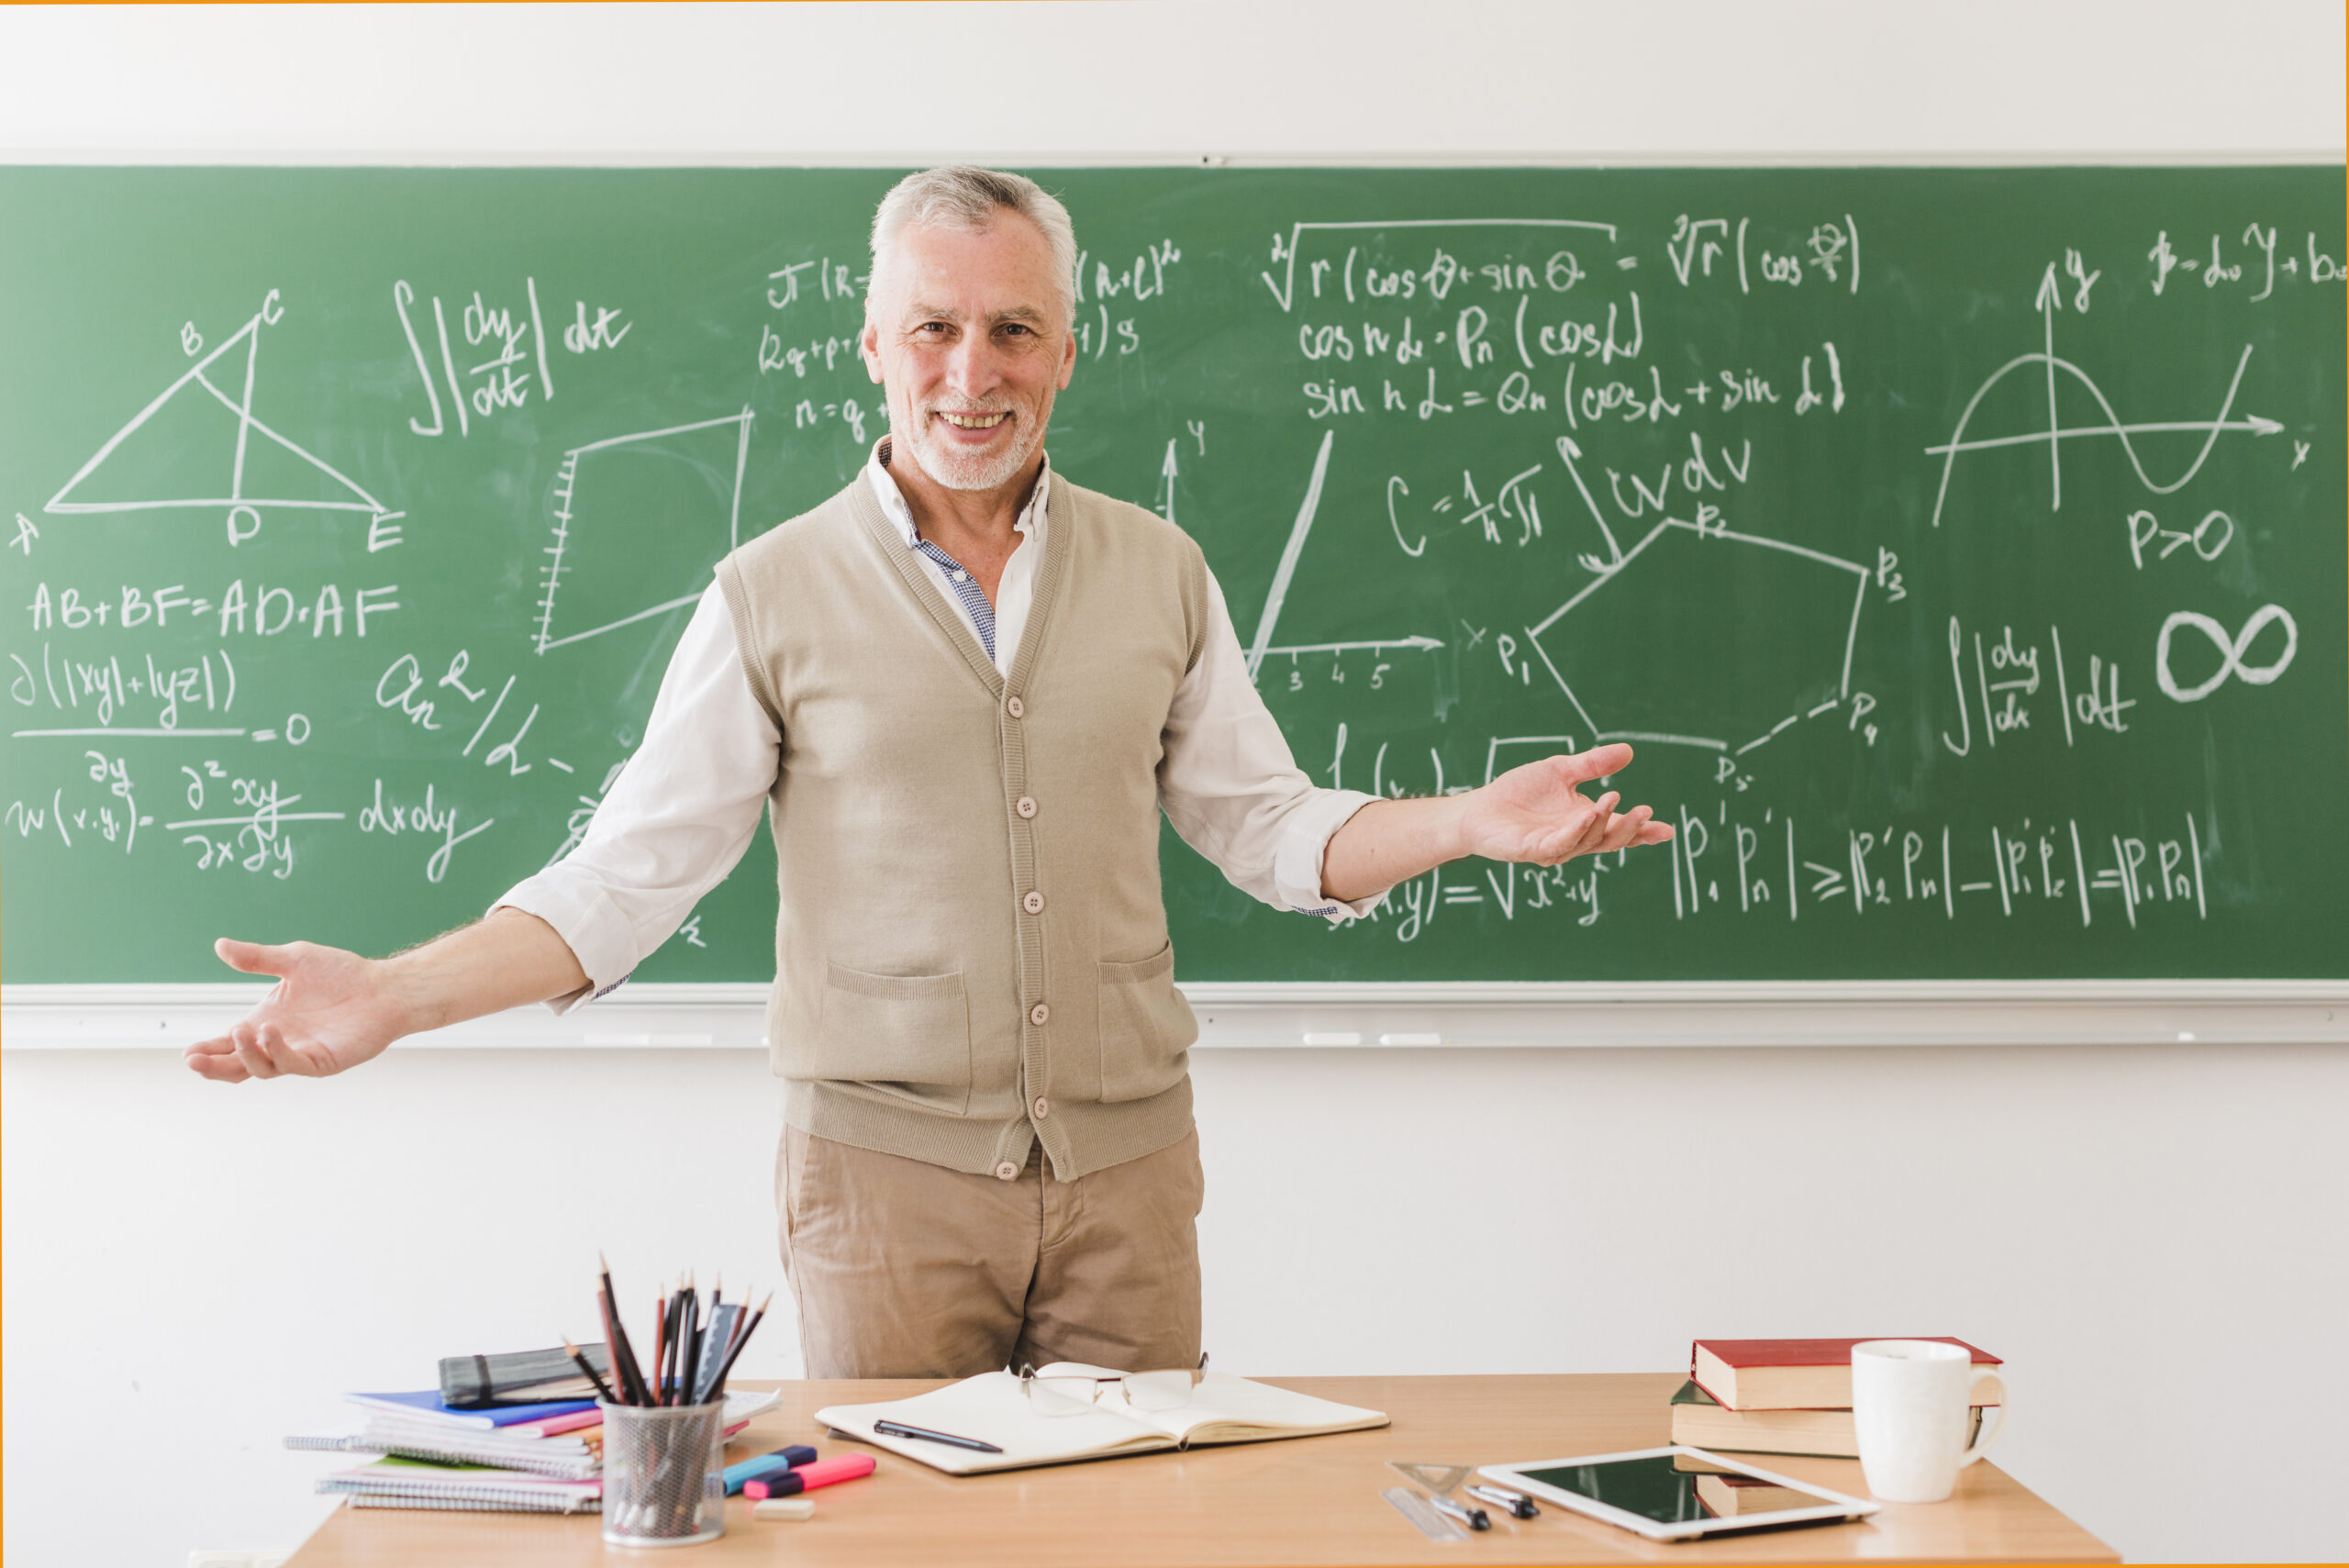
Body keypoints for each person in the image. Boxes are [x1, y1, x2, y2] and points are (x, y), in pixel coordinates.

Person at [184, 166, 1674, 1378]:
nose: (974, 373)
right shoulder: (766, 594)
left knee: (1136, 1541)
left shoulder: (1161, 571)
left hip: (1130, 1185)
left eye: (1015, 330)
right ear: (876, 347)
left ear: (1068, 351)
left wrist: (1466, 822)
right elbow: (623, 881)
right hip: (881, 1195)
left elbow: (1272, 829)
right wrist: (392, 992)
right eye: (936, 329)